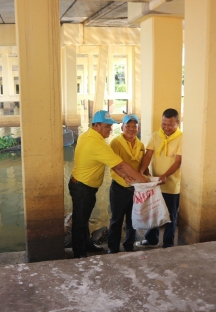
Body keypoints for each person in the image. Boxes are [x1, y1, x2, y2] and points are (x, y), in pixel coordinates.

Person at [69, 110, 148, 259]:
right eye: (107, 126)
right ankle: (79, 254)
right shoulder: (98, 144)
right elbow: (121, 165)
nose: (110, 129)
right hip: (83, 187)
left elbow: (120, 168)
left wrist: (126, 176)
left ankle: (86, 244)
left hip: (82, 185)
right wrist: (143, 180)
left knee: (83, 219)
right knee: (80, 221)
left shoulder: (87, 135)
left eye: (111, 126)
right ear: (96, 126)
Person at [136, 108, 182, 249]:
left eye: (170, 125)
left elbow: (178, 161)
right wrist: (141, 172)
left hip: (172, 185)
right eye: (164, 124)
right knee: (153, 211)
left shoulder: (182, 138)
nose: (166, 128)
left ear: (177, 123)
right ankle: (151, 239)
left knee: (170, 216)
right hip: (155, 183)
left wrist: (166, 175)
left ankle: (167, 244)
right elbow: (148, 155)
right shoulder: (155, 136)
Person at [108, 113, 146, 253]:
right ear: (122, 127)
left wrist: (147, 178)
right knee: (116, 219)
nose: (131, 129)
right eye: (127, 126)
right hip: (120, 188)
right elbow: (113, 165)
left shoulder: (140, 144)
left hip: (136, 188)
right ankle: (113, 248)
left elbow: (142, 165)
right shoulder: (115, 143)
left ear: (138, 127)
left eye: (134, 126)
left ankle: (129, 246)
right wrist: (124, 176)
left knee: (133, 219)